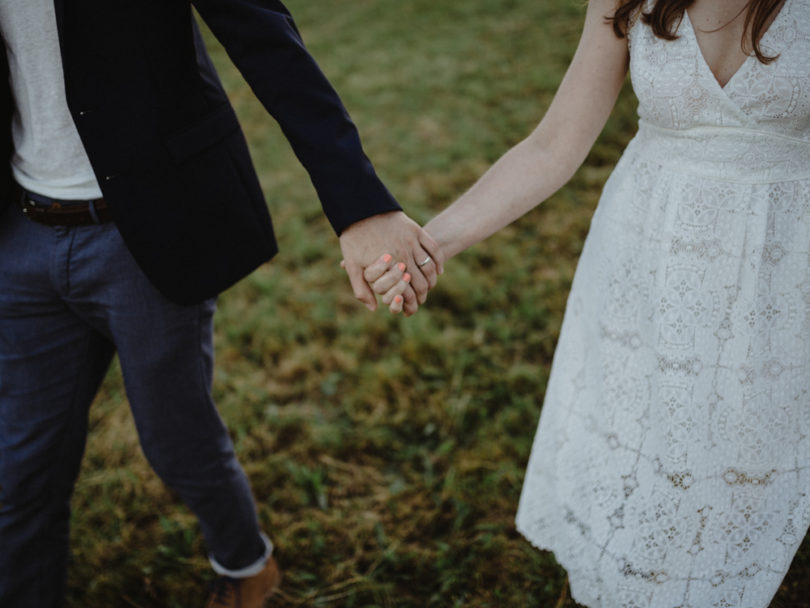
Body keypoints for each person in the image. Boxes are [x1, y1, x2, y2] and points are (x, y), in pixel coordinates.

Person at [0, 1, 443, 607]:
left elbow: (268, 42)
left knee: (176, 439)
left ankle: (245, 564)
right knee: (20, 466)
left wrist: (360, 205)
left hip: (151, 229)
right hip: (21, 236)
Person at [367, 0, 810, 605]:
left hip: (782, 273)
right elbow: (553, 144)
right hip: (647, 263)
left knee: (755, 465)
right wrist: (431, 247)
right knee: (648, 450)